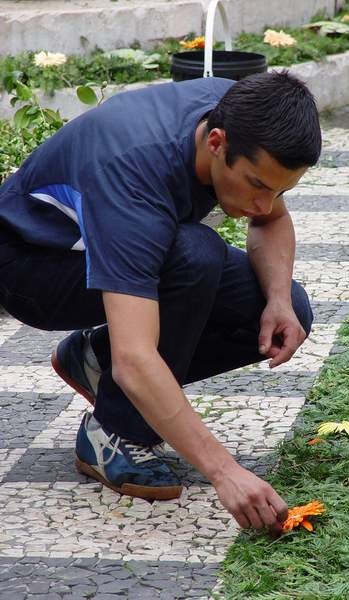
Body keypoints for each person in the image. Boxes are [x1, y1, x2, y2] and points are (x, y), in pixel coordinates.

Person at [0, 70, 321, 536]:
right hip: (33, 265)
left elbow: (270, 222)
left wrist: (277, 300)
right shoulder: (134, 178)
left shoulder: (241, 112)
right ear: (217, 143)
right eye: (256, 185)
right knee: (194, 256)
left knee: (289, 309)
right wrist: (224, 471)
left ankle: (93, 359)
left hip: (112, 242)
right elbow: (136, 360)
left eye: (279, 190)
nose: (263, 204)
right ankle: (113, 434)